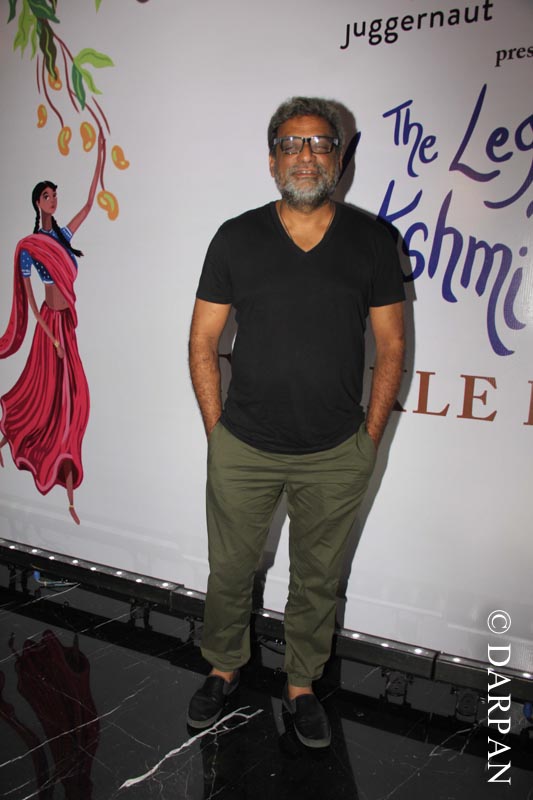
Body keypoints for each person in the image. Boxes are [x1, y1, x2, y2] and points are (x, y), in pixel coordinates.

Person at [187, 97, 405, 747]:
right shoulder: (235, 237)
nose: (305, 156)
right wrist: (216, 431)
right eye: (291, 144)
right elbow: (202, 341)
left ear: (338, 158)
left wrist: (368, 440)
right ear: (271, 159)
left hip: (336, 451)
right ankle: (223, 667)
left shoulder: (372, 241)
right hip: (244, 445)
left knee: (317, 579)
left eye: (319, 144)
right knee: (230, 571)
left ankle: (302, 683)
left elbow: (391, 346)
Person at [0, 135, 103, 525]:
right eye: (47, 196)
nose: (53, 200)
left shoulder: (62, 237)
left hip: (65, 328)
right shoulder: (30, 246)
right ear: (37, 203)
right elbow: (30, 299)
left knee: (73, 400)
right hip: (50, 329)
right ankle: (12, 439)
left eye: (55, 195)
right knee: (45, 398)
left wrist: (100, 158)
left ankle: (70, 489)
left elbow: (89, 205)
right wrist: (49, 334)